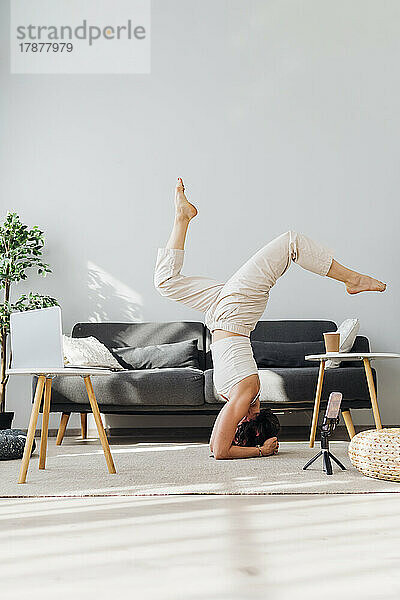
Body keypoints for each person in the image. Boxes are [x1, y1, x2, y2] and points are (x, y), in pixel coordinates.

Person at [154, 178, 386, 460]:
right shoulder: (247, 391)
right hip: (234, 314)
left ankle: (183, 218)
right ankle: (352, 279)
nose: (231, 422)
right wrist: (261, 450)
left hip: (222, 314)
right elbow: (220, 450)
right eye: (238, 423)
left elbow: (215, 447)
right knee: (291, 243)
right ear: (249, 420)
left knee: (165, 282)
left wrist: (256, 447)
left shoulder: (235, 396)